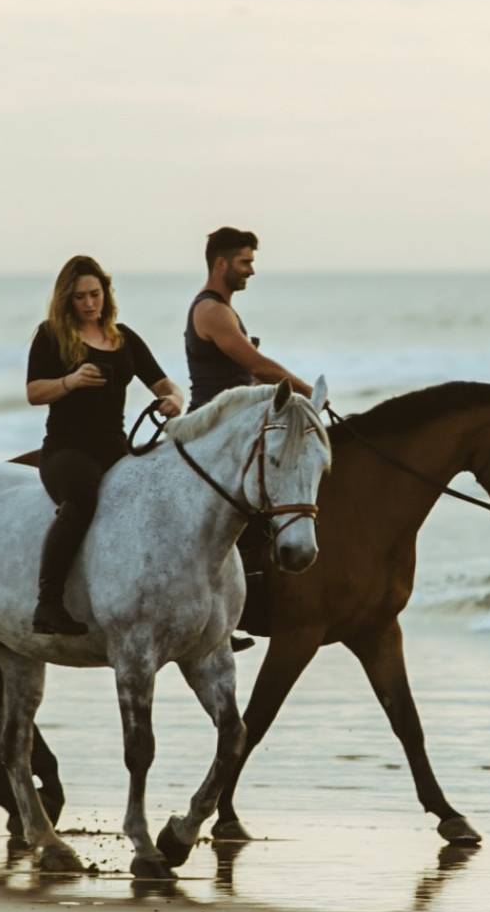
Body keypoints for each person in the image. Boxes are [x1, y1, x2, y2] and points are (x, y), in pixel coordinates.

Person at [25, 255, 185, 635]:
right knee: (82, 498)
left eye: (95, 294)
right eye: (80, 296)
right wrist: (71, 381)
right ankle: (48, 603)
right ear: (67, 299)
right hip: (66, 448)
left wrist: (174, 400)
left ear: (106, 294)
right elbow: (33, 392)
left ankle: (182, 602)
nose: (89, 303)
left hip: (115, 447)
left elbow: (164, 384)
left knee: (169, 495)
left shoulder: (123, 337)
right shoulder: (51, 335)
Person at [185, 227, 311, 410]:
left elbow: (245, 377)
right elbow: (259, 367)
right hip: (213, 420)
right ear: (221, 264)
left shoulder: (220, 308)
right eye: (245, 263)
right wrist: (309, 393)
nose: (251, 271)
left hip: (231, 416)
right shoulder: (212, 310)